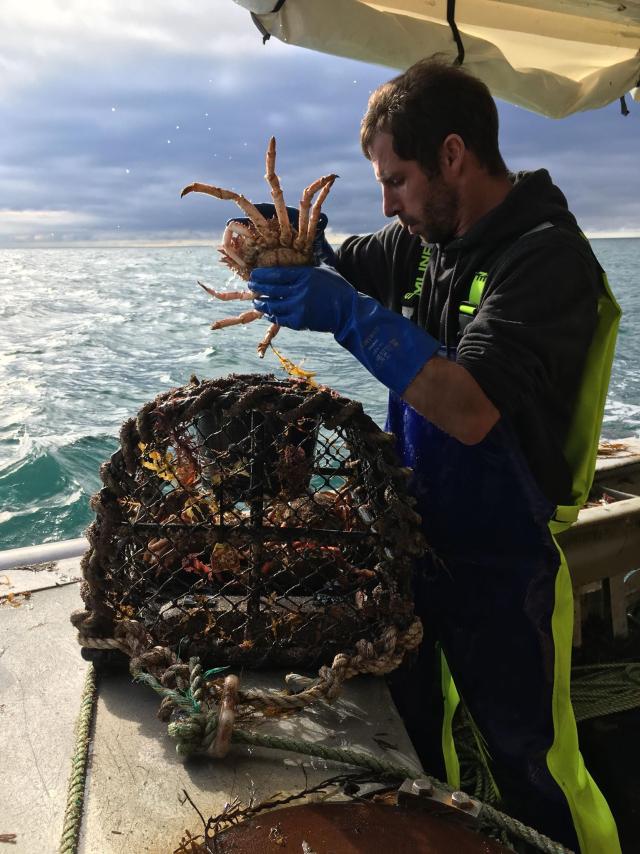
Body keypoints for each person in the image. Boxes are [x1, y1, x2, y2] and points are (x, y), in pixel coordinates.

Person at [249, 59, 621, 853]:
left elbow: (468, 407)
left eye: (397, 181)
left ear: (454, 156)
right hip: (417, 542)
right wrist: (274, 243)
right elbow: (333, 266)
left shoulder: (546, 259)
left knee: (535, 768)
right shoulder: (422, 242)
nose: (386, 204)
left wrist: (348, 314)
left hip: (509, 564)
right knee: (414, 750)